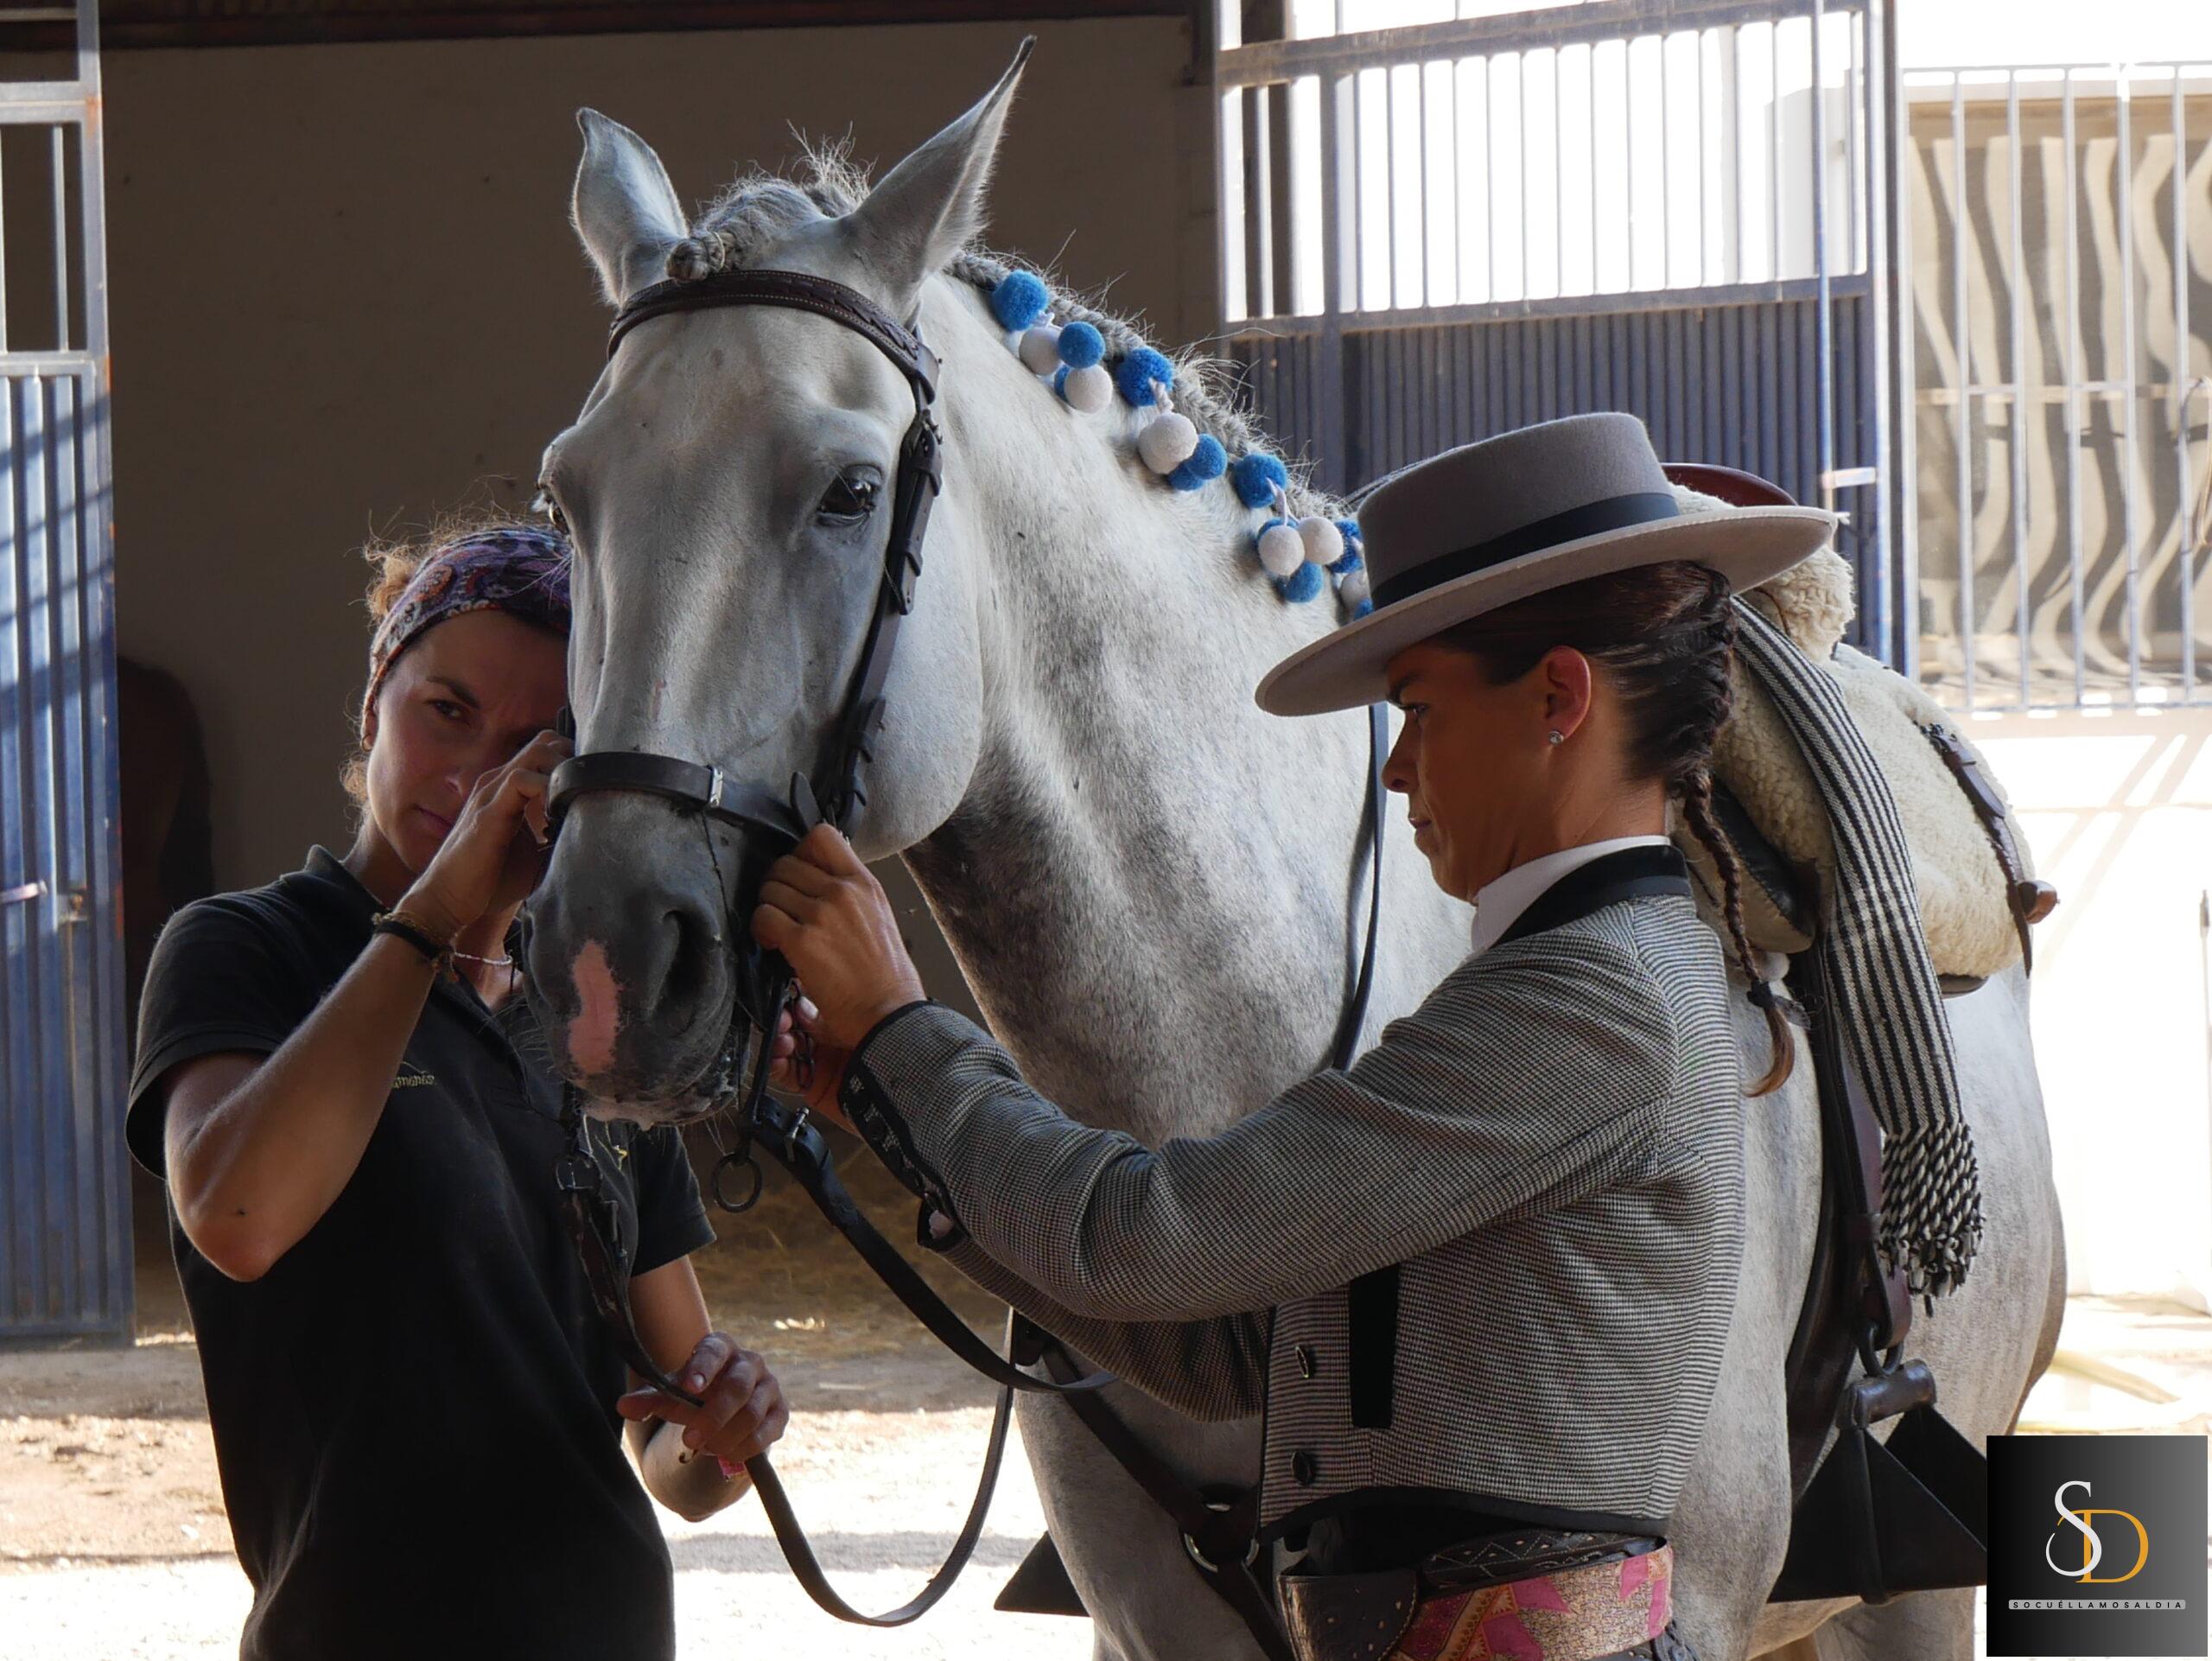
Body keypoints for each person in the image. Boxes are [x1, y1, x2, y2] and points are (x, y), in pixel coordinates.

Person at [748, 415, 1834, 1661]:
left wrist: (900, 1037)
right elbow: (1231, 1354)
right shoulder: (1575, 977)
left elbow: (1153, 1236)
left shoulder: (1593, 1002)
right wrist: (888, 1103)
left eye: (1420, 709)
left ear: (1557, 696)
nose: (1399, 768)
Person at [127, 519, 786, 1661]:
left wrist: (723, 1432)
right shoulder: (249, 948)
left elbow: (674, 1458)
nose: (478, 775)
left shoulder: (589, 1017)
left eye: (536, 748)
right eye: (447, 711)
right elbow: (236, 1215)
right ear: (372, 702)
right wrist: (430, 913)